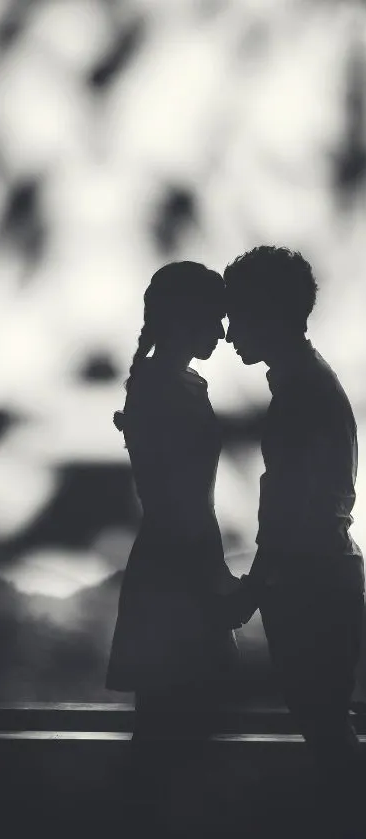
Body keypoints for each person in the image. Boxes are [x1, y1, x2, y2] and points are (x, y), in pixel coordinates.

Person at [223, 245, 365, 778]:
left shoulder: (299, 394)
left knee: (327, 735)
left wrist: (251, 593)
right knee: (328, 728)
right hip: (325, 577)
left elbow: (288, 512)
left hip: (312, 585)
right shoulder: (309, 382)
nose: (231, 335)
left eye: (237, 317)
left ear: (267, 315)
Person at [106, 261, 241, 740]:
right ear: (187, 316)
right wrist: (216, 580)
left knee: (175, 728)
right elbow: (178, 502)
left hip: (177, 562)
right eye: (216, 317)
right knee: (179, 729)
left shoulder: (167, 383)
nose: (224, 334)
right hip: (179, 568)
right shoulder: (165, 388)